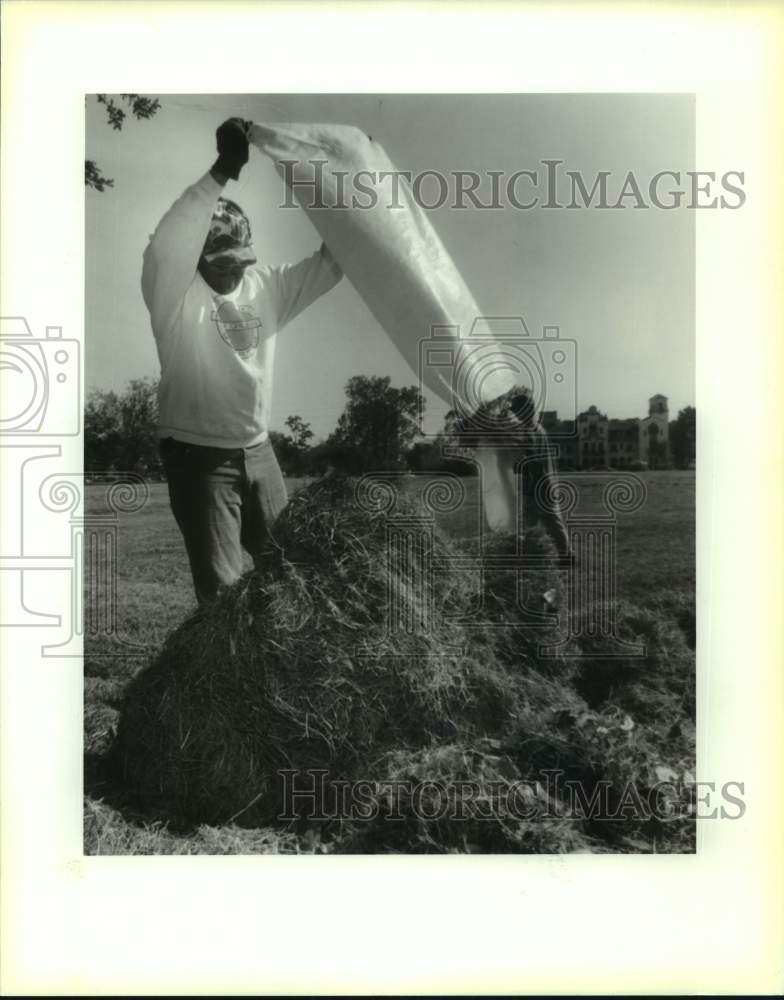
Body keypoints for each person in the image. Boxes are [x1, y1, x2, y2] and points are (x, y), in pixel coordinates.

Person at [141, 118, 343, 603]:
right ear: (197, 259)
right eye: (222, 261)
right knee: (223, 596)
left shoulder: (266, 287)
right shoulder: (173, 294)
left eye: (241, 260)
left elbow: (334, 261)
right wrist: (222, 170)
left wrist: (351, 183)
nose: (234, 271)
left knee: (291, 570)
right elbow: (168, 241)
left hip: (258, 451)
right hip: (199, 458)